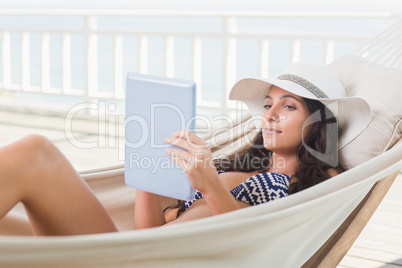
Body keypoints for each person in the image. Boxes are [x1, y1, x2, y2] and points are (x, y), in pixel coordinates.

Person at [0, 62, 371, 235]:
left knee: (35, 154)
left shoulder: (321, 182)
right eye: (268, 104)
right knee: (27, 178)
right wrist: (146, 174)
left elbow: (248, 240)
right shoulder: (243, 165)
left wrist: (209, 182)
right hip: (141, 251)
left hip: (140, 261)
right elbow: (152, 231)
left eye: (288, 106)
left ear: (318, 123)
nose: (270, 115)